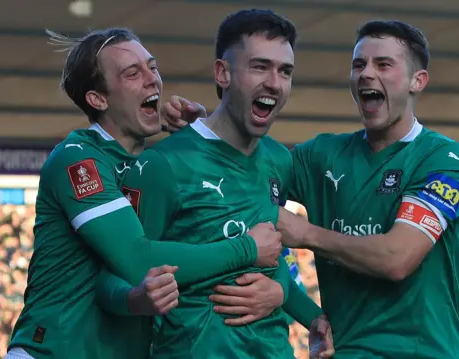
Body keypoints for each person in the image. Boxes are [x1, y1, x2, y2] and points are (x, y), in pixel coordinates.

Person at [164, 19, 459, 358]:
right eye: (359, 65)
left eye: (383, 64)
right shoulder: (320, 156)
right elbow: (244, 176)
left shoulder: (444, 158)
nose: (366, 74)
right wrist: (208, 130)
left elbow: (398, 258)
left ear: (419, 80)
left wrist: (308, 235)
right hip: (342, 351)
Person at [5, 27, 283, 359]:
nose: (152, 79)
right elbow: (137, 258)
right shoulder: (78, 158)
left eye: (152, 66)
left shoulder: (154, 164)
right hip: (55, 350)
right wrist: (247, 247)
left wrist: (202, 138)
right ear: (98, 99)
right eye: (132, 73)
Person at [95, 9, 334, 359]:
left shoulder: (279, 161)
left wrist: (309, 315)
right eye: (259, 67)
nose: (275, 82)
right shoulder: (164, 165)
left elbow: (271, 256)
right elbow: (111, 277)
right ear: (223, 73)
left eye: (285, 71)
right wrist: (137, 298)